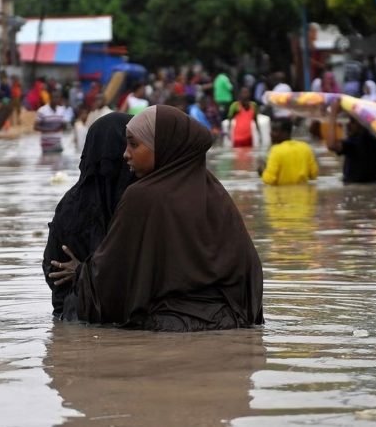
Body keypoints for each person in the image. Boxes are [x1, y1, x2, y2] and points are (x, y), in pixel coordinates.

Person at [49, 105, 264, 331]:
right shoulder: (216, 192)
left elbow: (113, 274)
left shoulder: (142, 196)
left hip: (170, 327)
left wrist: (80, 274)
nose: (125, 154)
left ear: (163, 146)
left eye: (133, 144)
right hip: (233, 322)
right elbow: (249, 269)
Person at [42, 113, 135, 316]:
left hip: (73, 317)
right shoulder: (134, 200)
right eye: (129, 144)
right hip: (98, 317)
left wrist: (82, 272)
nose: (129, 154)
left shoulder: (70, 203)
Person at [326, 98, 376, 183]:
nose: (348, 125)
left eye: (352, 121)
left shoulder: (356, 142)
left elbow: (332, 145)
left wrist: (333, 113)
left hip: (351, 189)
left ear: (363, 123)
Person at [257, 118, 318, 185]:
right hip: (304, 193)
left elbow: (269, 180)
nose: (271, 134)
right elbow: (313, 175)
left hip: (280, 194)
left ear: (285, 133)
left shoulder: (276, 151)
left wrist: (262, 171)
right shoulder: (305, 148)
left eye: (275, 130)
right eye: (271, 130)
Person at [35, 87, 69, 153]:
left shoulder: (62, 110)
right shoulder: (42, 110)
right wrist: (49, 130)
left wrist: (65, 125)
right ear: (50, 98)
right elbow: (35, 127)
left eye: (58, 97)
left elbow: (64, 127)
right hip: (46, 146)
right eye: (54, 97)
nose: (56, 99)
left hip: (58, 144)